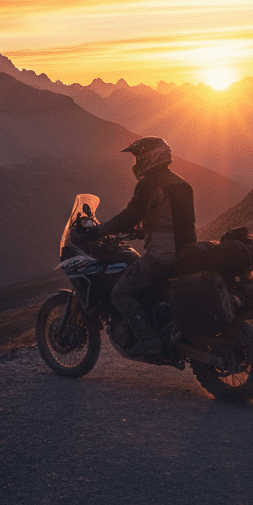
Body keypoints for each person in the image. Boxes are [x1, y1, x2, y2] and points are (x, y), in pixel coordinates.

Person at [76, 136, 196, 356]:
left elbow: (129, 217)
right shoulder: (180, 183)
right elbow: (175, 221)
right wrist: (143, 231)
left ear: (150, 157)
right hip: (186, 252)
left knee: (120, 292)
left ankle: (148, 340)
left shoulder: (150, 183)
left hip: (163, 256)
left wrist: (97, 231)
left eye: (138, 157)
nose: (136, 162)